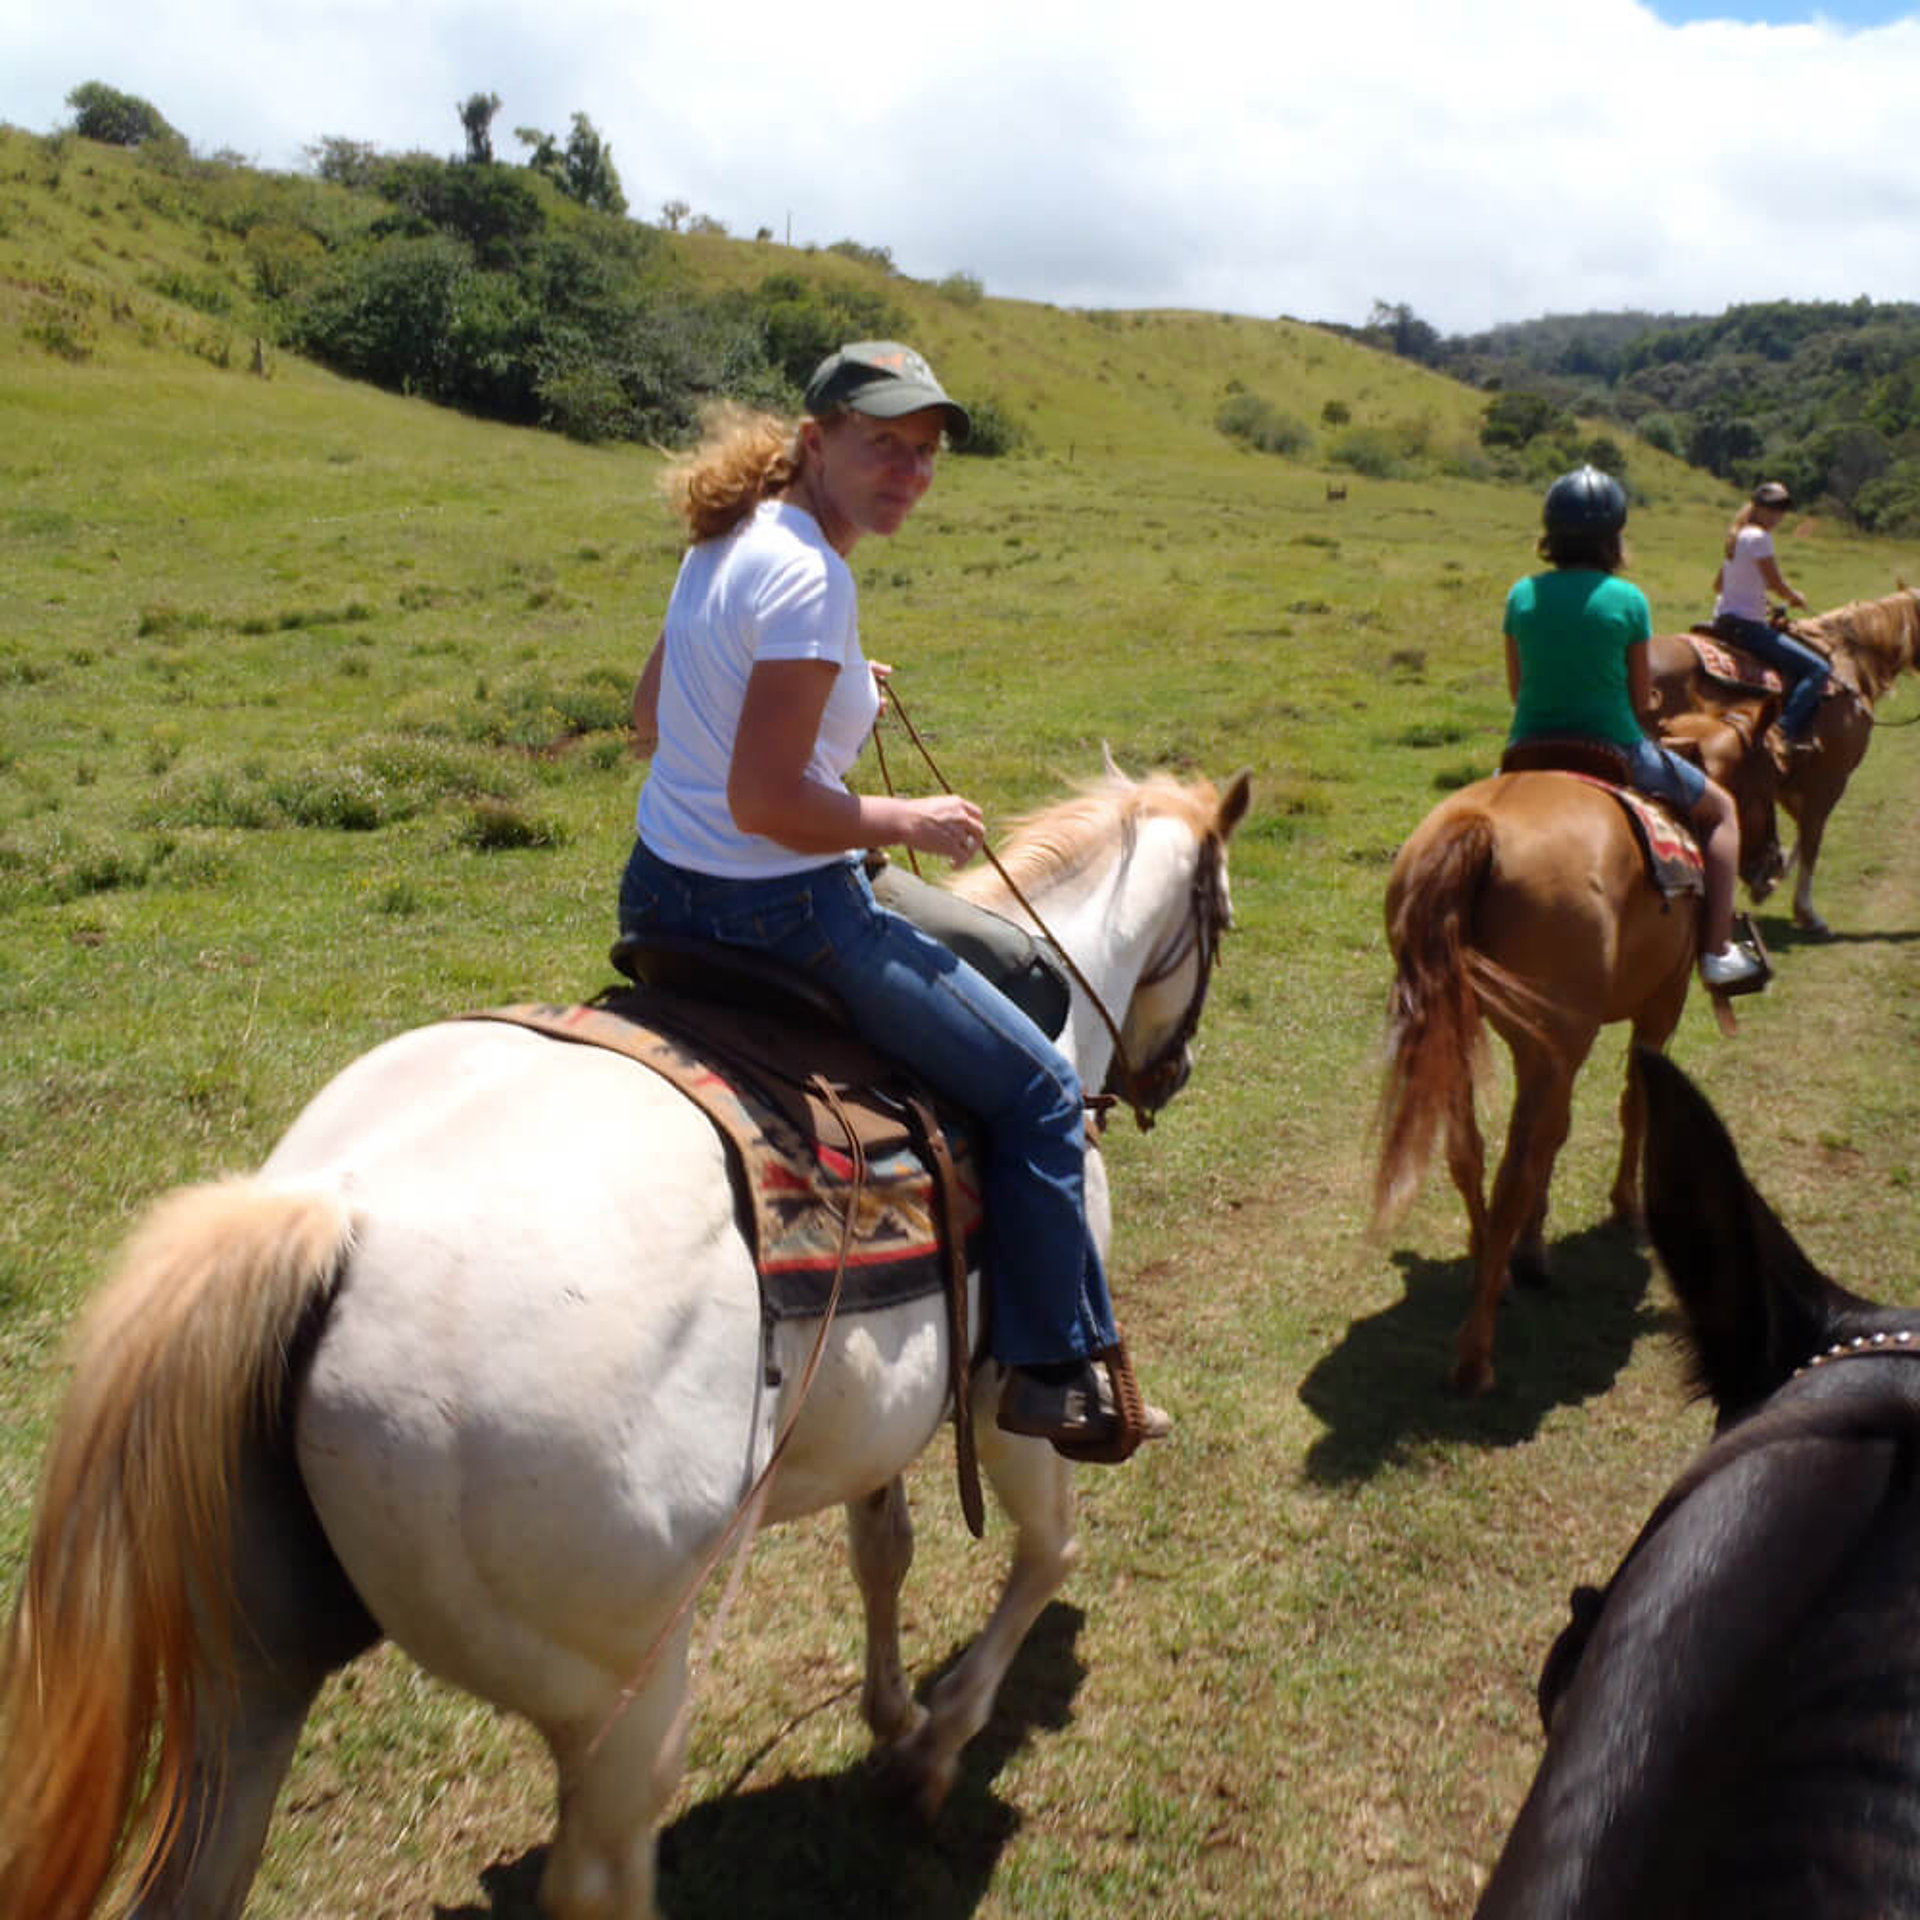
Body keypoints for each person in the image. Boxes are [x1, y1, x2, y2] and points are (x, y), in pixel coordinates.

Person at [618, 340, 1168, 1458]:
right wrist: (910, 820)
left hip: (662, 895)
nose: (909, 473)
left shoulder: (727, 538)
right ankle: (1057, 1369)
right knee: (1044, 1095)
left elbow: (650, 722)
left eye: (924, 455)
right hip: (782, 912)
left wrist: (826, 694)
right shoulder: (814, 578)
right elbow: (770, 800)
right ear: (816, 441)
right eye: (884, 447)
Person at [1504, 466, 1767, 993]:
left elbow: (1517, 690)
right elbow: (1636, 699)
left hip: (1526, 748)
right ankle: (1717, 952)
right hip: (1616, 749)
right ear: (1613, 539)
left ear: (1549, 534)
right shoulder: (1628, 601)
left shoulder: (1520, 595)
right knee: (1720, 812)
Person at [1711, 480, 1831, 743]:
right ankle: (1783, 731)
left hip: (1724, 620)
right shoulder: (1760, 537)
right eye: (1774, 508)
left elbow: (1719, 585)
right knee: (1819, 669)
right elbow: (1776, 583)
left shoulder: (1737, 536)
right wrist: (1794, 597)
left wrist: (1758, 600)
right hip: (1749, 628)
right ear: (1759, 508)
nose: (1779, 515)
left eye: (1783, 509)